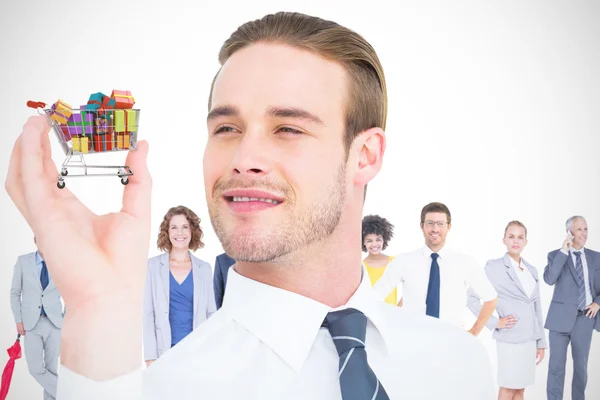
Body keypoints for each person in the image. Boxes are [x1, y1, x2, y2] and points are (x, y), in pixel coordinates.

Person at [6, 12, 495, 400]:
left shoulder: (459, 367)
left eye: (288, 128)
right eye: (226, 128)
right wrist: (98, 311)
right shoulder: (165, 391)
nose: (244, 159)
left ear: (365, 156)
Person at [373, 202, 498, 334]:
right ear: (422, 226)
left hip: (451, 340)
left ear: (449, 227)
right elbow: (375, 296)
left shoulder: (465, 263)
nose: (435, 229)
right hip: (413, 339)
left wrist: (473, 332)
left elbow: (490, 298)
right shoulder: (403, 261)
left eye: (440, 224)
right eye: (430, 223)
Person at [467, 221, 546, 400]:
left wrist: (541, 342)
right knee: (509, 387)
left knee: (520, 390)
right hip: (509, 338)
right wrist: (495, 322)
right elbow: (471, 298)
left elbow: (537, 308)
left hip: (529, 338)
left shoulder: (531, 270)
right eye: (511, 237)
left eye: (520, 237)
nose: (515, 241)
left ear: (526, 241)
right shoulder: (494, 267)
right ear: (504, 240)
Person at [144, 206, 216, 367]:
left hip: (196, 351)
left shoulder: (203, 268)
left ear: (192, 231)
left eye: (185, 227)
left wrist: (212, 351)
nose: (180, 233)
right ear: (167, 232)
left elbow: (211, 313)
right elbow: (148, 314)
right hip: (164, 351)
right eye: (174, 227)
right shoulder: (153, 266)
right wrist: (150, 357)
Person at [544, 216, 600, 400]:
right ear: (569, 232)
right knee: (556, 368)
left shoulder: (596, 257)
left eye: (585, 229)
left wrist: (597, 302)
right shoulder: (556, 255)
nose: (583, 234)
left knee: (581, 369)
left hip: (584, 319)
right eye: (579, 230)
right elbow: (549, 279)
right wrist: (564, 250)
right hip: (559, 320)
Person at [9, 237, 64, 399]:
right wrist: (18, 319)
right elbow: (15, 292)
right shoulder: (23, 262)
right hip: (31, 324)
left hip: (55, 324)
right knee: (35, 368)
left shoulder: (61, 264)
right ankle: (68, 393)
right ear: (35, 240)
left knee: (51, 369)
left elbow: (70, 293)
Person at [361, 215, 398, 305]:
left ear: (384, 240)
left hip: (391, 315)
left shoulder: (394, 262)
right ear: (363, 242)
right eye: (369, 241)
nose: (374, 244)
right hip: (369, 315)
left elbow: (410, 286)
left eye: (378, 240)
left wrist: (399, 308)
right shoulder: (361, 267)